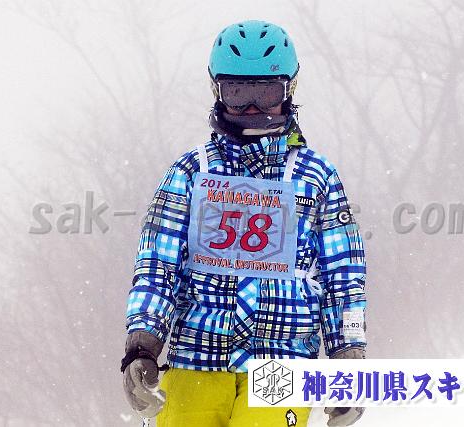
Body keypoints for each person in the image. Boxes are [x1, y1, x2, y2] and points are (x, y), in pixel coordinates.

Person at [121, 20, 367, 427]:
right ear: (218, 91)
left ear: (289, 90)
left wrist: (349, 353)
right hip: (197, 356)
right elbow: (158, 265)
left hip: (282, 360)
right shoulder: (191, 173)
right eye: (238, 93)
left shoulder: (315, 177)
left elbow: (342, 275)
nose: (253, 108)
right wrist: (143, 344)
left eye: (266, 93)